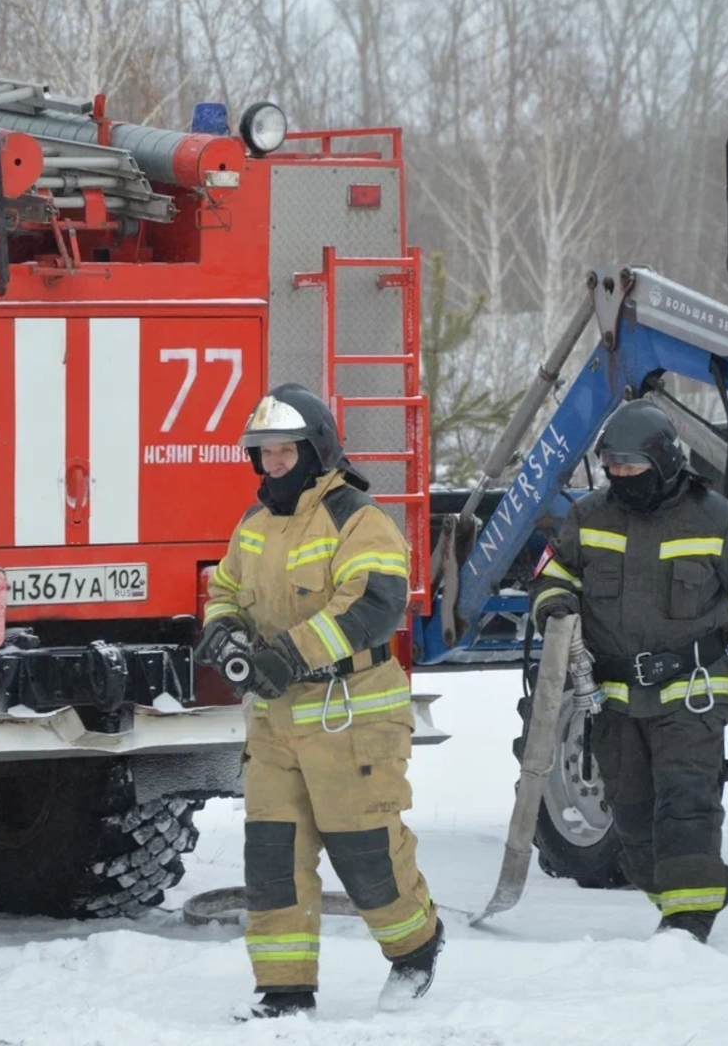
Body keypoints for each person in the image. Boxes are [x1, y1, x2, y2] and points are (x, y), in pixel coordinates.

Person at [197, 383, 443, 1019]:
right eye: (263, 453)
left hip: (352, 715)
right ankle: (284, 993)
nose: (272, 464)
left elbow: (373, 604)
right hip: (276, 722)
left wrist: (290, 654)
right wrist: (221, 627)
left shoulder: (359, 517)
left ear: (316, 449)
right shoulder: (254, 524)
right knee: (272, 858)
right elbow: (222, 588)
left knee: (366, 855)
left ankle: (417, 949)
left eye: (283, 451)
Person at [529, 399, 728, 944]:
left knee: (687, 805)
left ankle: (687, 925)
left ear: (665, 461)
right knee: (632, 819)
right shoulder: (589, 516)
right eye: (612, 467)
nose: (619, 477)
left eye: (631, 466)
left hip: (692, 694)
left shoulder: (719, 521)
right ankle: (687, 892)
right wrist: (554, 605)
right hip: (613, 698)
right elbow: (552, 575)